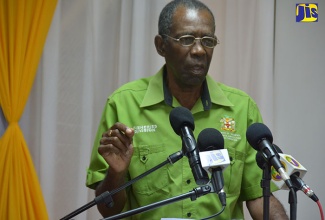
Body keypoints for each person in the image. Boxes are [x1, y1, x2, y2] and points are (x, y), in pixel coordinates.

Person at [86, 0, 289, 219]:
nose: (200, 50)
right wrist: (116, 174)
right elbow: (108, 210)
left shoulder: (241, 108)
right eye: (187, 39)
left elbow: (259, 196)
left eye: (208, 40)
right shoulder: (124, 104)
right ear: (161, 45)